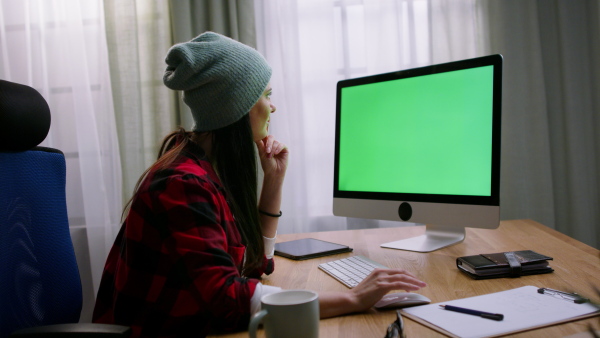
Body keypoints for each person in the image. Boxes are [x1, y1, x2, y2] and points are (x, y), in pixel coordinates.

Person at [92, 31, 426, 337]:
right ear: (235, 108)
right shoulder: (181, 185)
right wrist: (351, 299)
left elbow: (254, 266)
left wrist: (273, 180)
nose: (273, 105)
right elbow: (226, 298)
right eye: (266, 94)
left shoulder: (206, 171)